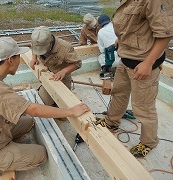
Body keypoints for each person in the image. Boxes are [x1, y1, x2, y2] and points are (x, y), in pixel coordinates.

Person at [0, 37, 90, 179]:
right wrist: (70, 111)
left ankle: (5, 149)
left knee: (29, 122)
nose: (20, 61)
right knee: (40, 154)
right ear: (10, 60)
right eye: (18, 57)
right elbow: (33, 109)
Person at [98, 0, 173, 158]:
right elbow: (133, 24)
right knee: (119, 93)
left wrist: (148, 62)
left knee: (143, 108)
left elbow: (165, 33)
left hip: (143, 65)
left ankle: (149, 142)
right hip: (126, 59)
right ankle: (112, 122)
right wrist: (122, 40)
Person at [30, 26, 82, 106]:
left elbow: (78, 63)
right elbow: (33, 47)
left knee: (63, 111)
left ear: (50, 42)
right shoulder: (36, 40)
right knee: (44, 103)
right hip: (48, 76)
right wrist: (34, 57)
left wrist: (63, 71)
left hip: (62, 78)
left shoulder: (65, 48)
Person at [97, 13, 120, 79]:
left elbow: (102, 50)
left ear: (100, 24)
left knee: (100, 57)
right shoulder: (116, 27)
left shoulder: (100, 32)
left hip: (112, 61)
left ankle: (106, 72)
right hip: (124, 58)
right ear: (109, 20)